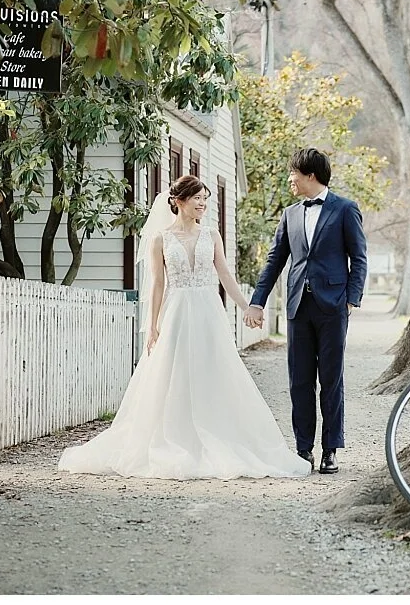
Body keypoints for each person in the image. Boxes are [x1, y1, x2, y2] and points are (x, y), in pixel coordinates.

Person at [58, 176, 312, 480]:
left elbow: (226, 276)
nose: (203, 204)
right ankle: (175, 436)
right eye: (197, 199)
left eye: (205, 199)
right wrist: (151, 326)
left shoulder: (212, 235)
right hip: (177, 313)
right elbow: (157, 285)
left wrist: (248, 307)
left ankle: (218, 433)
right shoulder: (160, 239)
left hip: (208, 314)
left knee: (213, 372)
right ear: (179, 201)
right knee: (173, 375)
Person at [248, 149, 368, 475]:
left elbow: (359, 257)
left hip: (333, 307)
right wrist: (257, 301)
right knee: (299, 381)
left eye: (294, 174)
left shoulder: (344, 209)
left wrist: (351, 299)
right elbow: (275, 260)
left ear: (310, 176)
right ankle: (303, 449)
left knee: (331, 380)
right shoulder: (289, 214)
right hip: (298, 306)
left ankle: (331, 449)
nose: (290, 179)